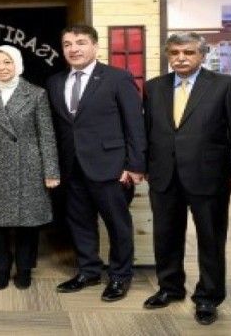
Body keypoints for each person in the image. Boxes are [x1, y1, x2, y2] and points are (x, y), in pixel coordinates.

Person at [142, 32, 231, 325]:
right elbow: (147, 129)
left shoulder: (226, 85)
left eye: (188, 52)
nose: (181, 58)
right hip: (164, 175)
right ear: (168, 55)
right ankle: (170, 288)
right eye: (174, 53)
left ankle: (208, 297)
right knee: (165, 236)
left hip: (209, 175)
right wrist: (146, 166)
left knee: (210, 239)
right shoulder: (154, 87)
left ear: (202, 54)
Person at [47, 24, 146, 302]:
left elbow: (134, 123)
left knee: (117, 225)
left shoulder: (117, 78)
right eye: (67, 44)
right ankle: (88, 271)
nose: (74, 49)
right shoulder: (55, 81)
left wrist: (135, 165)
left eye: (80, 42)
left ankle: (120, 276)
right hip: (71, 167)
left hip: (111, 167)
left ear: (95, 46)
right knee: (79, 222)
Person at [0, 45, 60, 290]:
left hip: (28, 167)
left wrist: (51, 171)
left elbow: (46, 136)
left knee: (28, 223)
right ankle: (2, 269)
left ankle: (24, 270)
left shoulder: (36, 94)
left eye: (7, 62)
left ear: (17, 64)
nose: (1, 67)